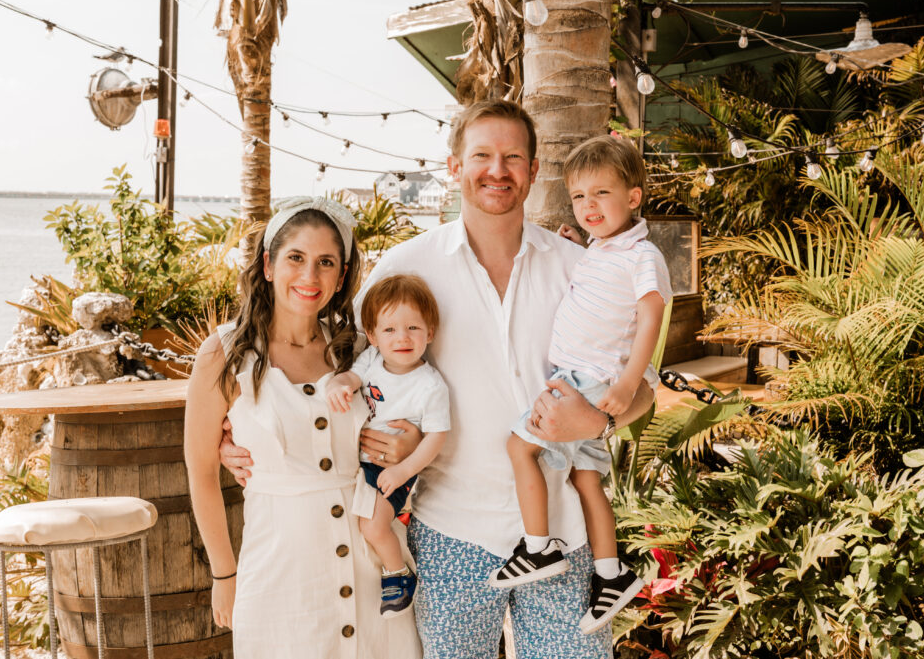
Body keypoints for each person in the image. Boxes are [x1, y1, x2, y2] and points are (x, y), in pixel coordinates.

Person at [221, 101, 655, 659]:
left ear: (534, 169)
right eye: (481, 156)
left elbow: (642, 389)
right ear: (454, 166)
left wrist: (600, 417)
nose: (496, 170)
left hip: (561, 536)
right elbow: (332, 369)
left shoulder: (582, 267)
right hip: (450, 532)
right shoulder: (406, 268)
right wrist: (233, 436)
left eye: (512, 157)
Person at [185, 196, 422, 659]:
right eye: (296, 258)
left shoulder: (360, 350)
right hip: (281, 576)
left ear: (342, 275)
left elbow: (415, 409)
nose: (310, 277)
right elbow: (199, 471)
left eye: (325, 263)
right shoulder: (225, 353)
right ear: (269, 265)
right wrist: (223, 574)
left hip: (377, 568)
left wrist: (408, 441)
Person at [489, 135, 671, 635]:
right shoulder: (604, 248)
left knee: (519, 447)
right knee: (586, 479)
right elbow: (597, 286)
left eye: (601, 195)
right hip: (582, 379)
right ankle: (611, 575)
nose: (589, 206)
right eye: (579, 197)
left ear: (633, 198)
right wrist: (576, 246)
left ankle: (537, 546)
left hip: (588, 382)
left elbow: (651, 312)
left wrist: (630, 381)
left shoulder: (643, 255)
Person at [326, 273, 450, 618]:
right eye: (390, 330)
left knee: (373, 526)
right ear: (374, 336)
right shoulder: (371, 362)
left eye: (413, 328)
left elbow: (437, 437)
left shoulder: (430, 385)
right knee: (355, 524)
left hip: (394, 470)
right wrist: (339, 384)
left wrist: (403, 470)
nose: (402, 338)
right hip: (362, 464)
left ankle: (399, 574)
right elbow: (352, 377)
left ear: (430, 332)